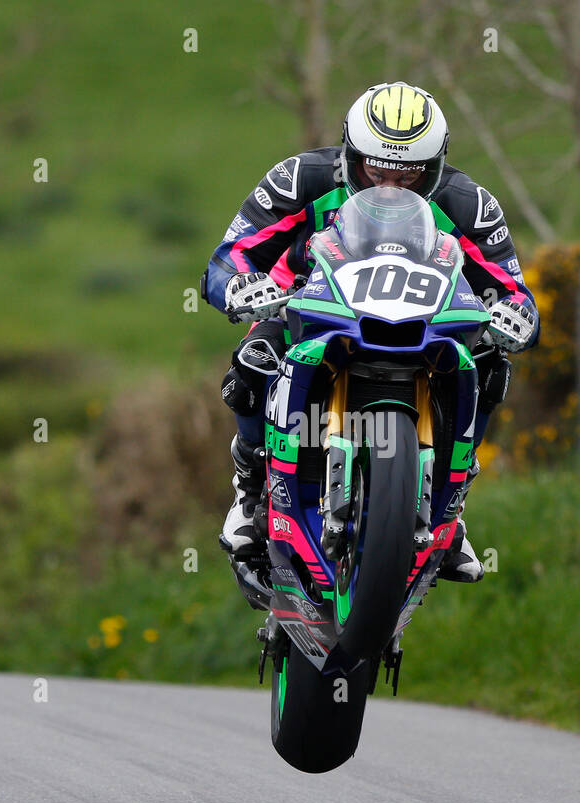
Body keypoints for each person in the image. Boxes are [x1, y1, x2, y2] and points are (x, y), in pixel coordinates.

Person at [201, 81, 538, 582]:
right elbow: (229, 256)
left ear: (436, 166)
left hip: (427, 320)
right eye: (376, 170)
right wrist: (239, 287)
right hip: (309, 308)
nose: (391, 185)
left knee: (490, 367)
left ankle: (451, 509)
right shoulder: (300, 178)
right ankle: (251, 494)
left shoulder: (469, 204)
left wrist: (517, 318)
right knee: (257, 356)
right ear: (349, 154)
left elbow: (516, 290)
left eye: (409, 175)